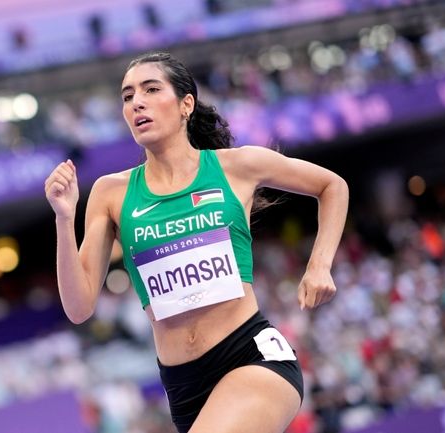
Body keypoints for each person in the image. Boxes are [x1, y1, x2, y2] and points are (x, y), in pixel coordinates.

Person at [44, 51, 349, 433]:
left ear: (186, 103)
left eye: (151, 89)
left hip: (251, 357)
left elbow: (332, 185)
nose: (136, 101)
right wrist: (63, 217)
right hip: (184, 387)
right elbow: (78, 307)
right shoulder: (111, 193)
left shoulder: (236, 166)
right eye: (127, 96)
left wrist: (319, 264)